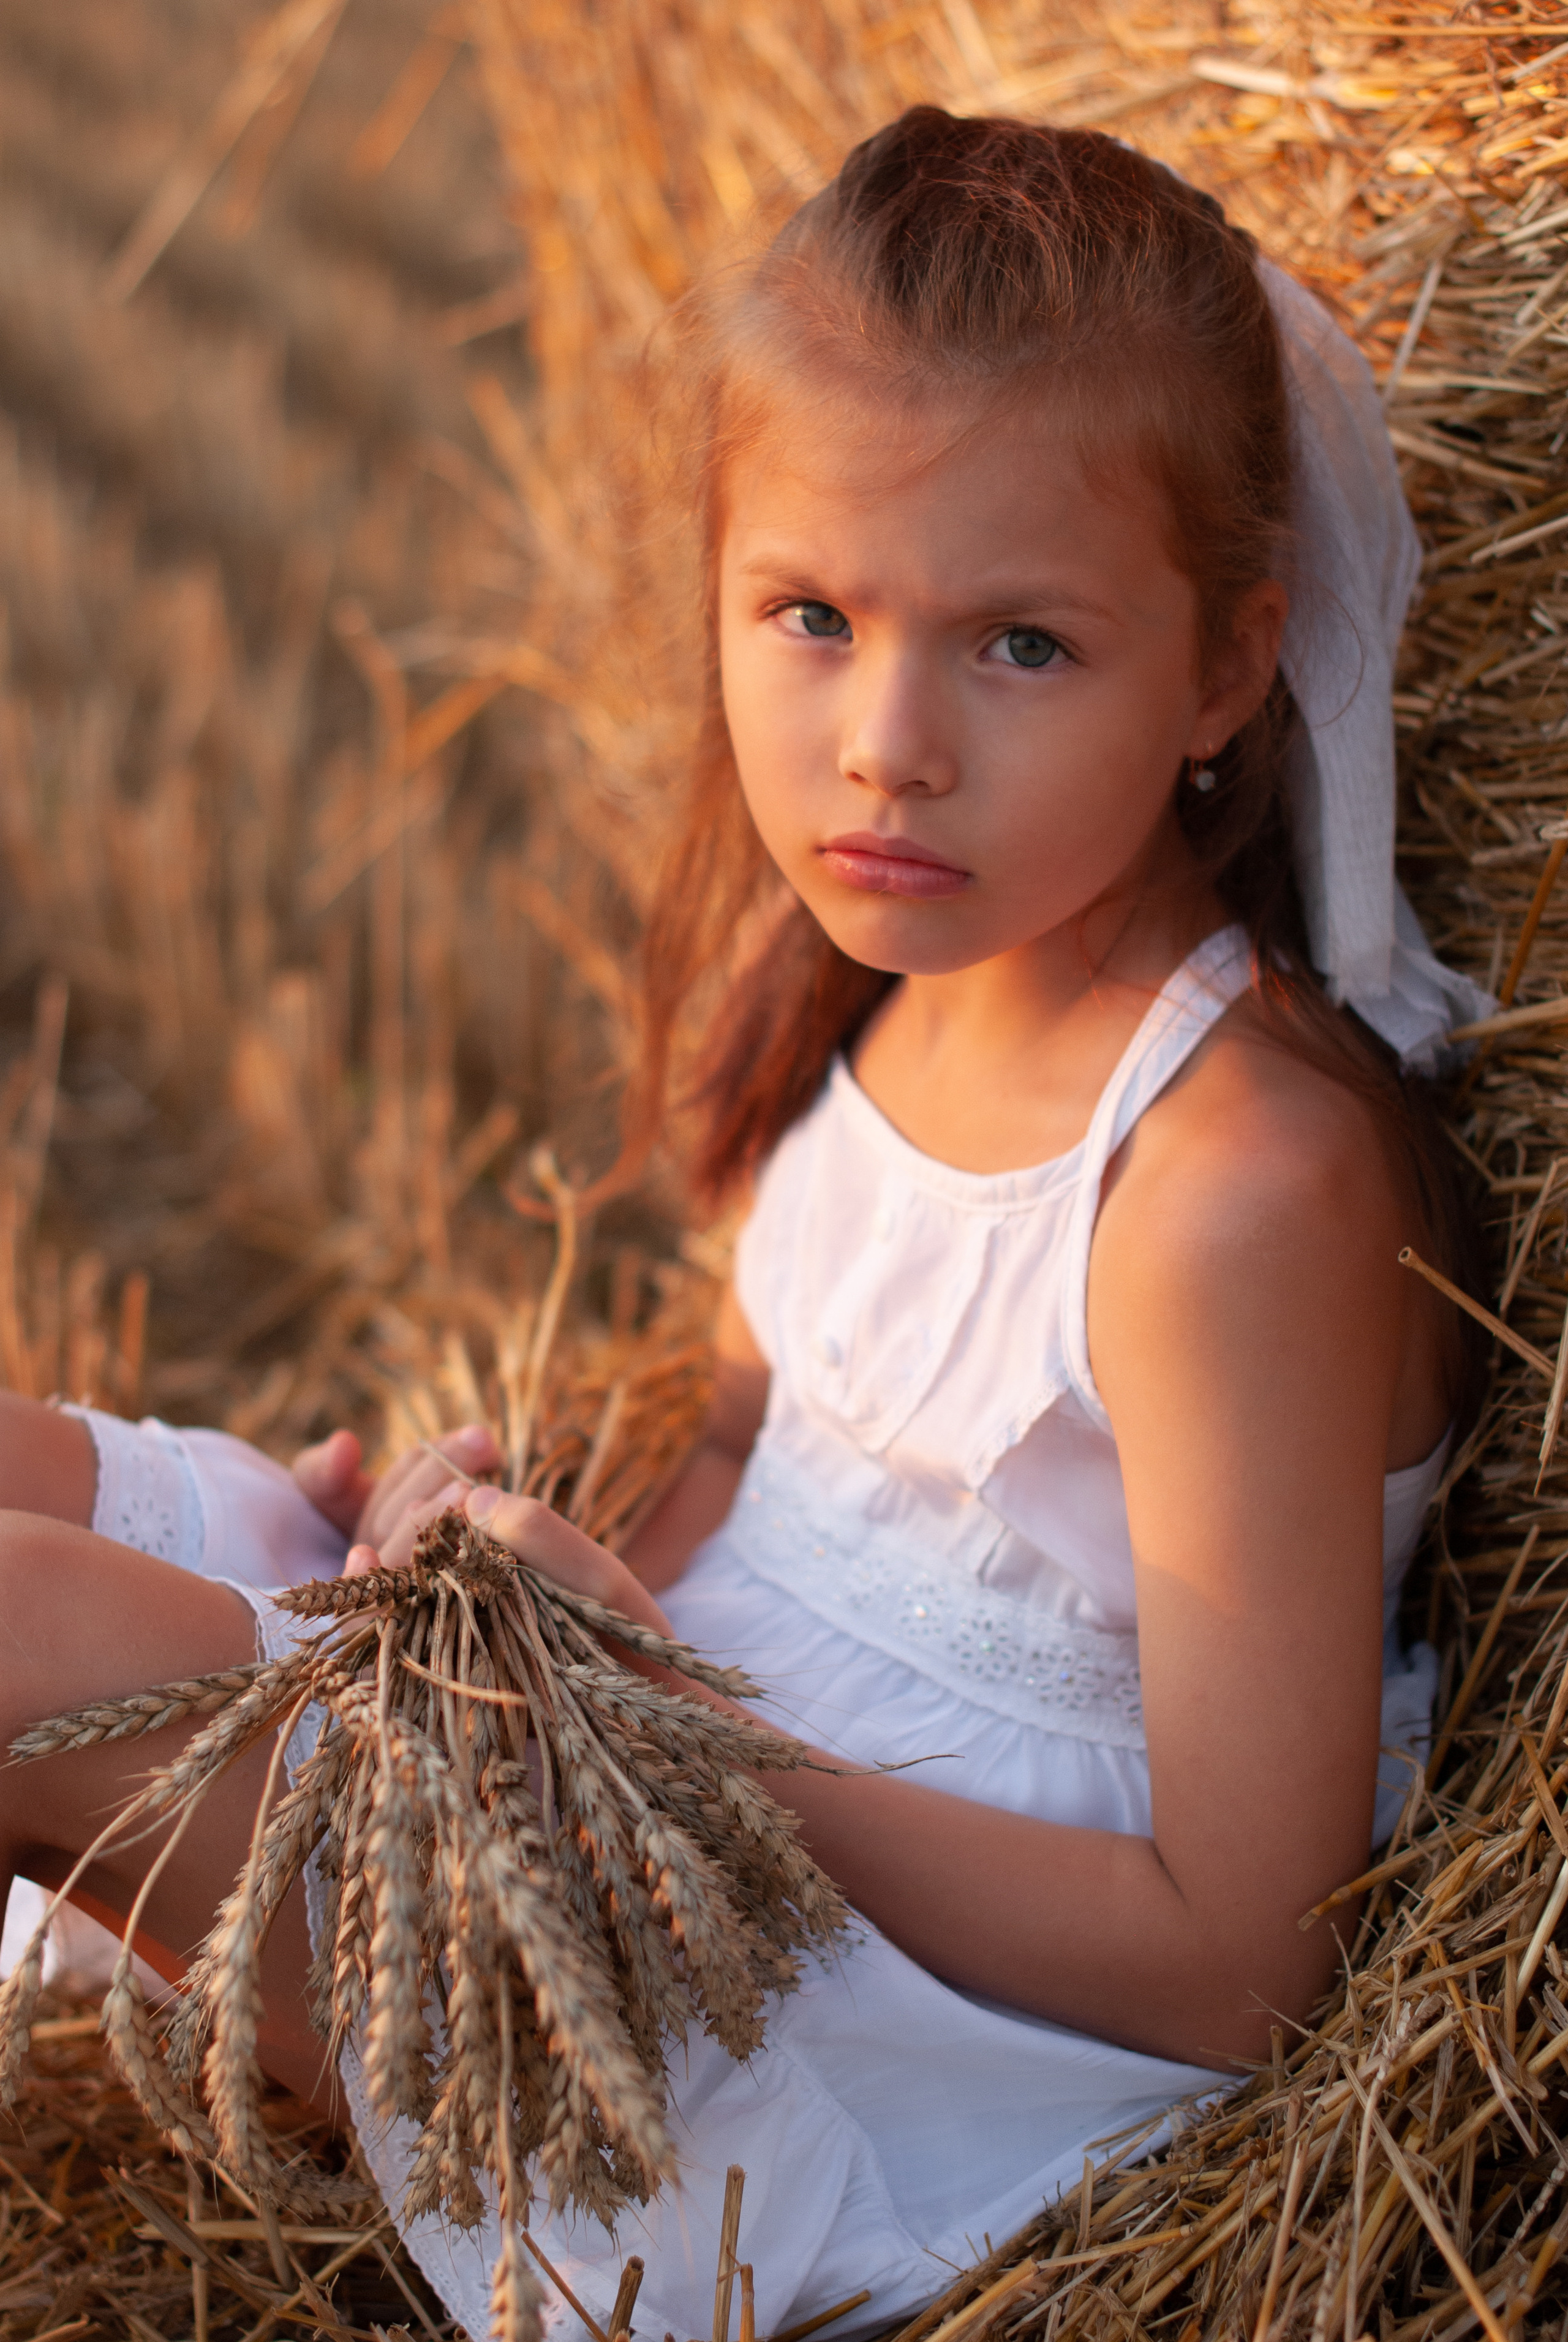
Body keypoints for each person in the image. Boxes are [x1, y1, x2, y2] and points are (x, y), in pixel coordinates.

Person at [0, 108, 1493, 2342]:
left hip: (847, 2002)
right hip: (643, 1760)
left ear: (1222, 671)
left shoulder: (1230, 1191)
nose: (883, 745)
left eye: (1018, 645)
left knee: (10, 1612)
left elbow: (1243, 1969)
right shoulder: (887, 985)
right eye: (811, 613)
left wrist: (667, 1732)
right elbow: (735, 1467)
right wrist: (475, 1570)